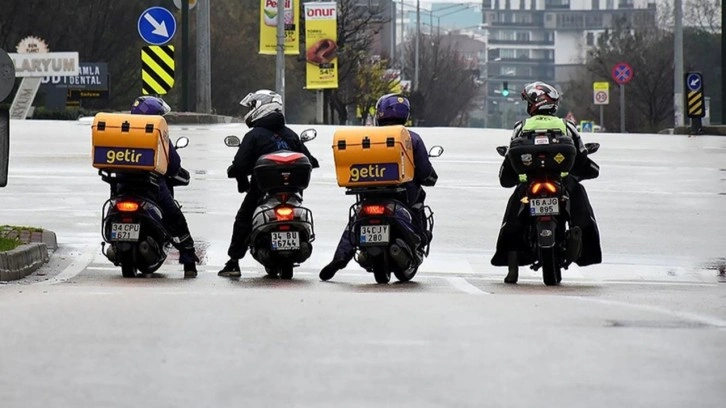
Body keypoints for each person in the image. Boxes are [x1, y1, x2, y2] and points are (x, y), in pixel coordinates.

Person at [319, 93, 438, 281]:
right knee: (418, 207)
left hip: (369, 195)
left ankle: (340, 258)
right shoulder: (411, 138)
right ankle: (420, 240)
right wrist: (430, 177)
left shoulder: (367, 136)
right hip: (405, 196)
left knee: (355, 221)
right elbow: (424, 172)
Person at [490, 82, 601, 277]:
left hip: (528, 184)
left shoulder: (521, 127)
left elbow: (510, 159)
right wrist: (589, 169)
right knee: (581, 208)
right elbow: (582, 155)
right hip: (562, 182)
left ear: (533, 104)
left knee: (513, 216)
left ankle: (511, 266)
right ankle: (586, 251)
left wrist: (508, 176)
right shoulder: (567, 126)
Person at [218, 89, 320, 278]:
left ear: (261, 107)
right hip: (293, 194)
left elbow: (240, 165)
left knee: (243, 219)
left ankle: (234, 262)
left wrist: (239, 177)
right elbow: (311, 160)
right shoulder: (290, 135)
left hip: (262, 192)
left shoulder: (254, 135)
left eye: (252, 106)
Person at [128, 96, 199, 278]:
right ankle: (189, 262)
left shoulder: (123, 132)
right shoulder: (158, 136)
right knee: (176, 220)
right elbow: (174, 165)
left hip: (123, 187)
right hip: (153, 188)